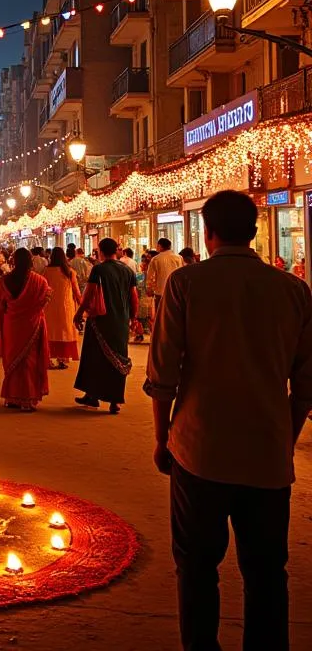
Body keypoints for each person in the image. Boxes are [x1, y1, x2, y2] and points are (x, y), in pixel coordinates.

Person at [145, 190, 312, 651]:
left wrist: (163, 440)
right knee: (266, 572)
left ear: (207, 232)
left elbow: (162, 374)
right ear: (256, 231)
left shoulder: (187, 285)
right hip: (267, 456)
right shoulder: (293, 290)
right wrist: (286, 437)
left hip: (199, 450)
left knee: (196, 567)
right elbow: (305, 386)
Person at [75, 237, 138, 414]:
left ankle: (92, 395)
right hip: (120, 321)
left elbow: (90, 294)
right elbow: (133, 297)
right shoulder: (127, 270)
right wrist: (133, 318)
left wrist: (79, 312)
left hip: (100, 321)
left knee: (94, 357)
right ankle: (115, 401)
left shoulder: (99, 269)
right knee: (118, 359)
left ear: (100, 251)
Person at [0, 247, 51, 411]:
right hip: (32, 325)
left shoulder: (4, 281)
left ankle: (12, 398)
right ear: (30, 262)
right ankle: (27, 399)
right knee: (29, 363)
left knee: (12, 361)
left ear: (14, 261)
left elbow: (0, 305)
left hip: (11, 326)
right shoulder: (40, 281)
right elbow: (43, 303)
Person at [44, 246, 81, 369]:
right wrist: (82, 305)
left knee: (50, 332)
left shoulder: (46, 271)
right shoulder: (69, 272)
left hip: (49, 307)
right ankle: (62, 359)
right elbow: (76, 291)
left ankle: (48, 359)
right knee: (64, 331)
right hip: (66, 306)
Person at [146, 237, 185, 319]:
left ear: (160, 246)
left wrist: (149, 289)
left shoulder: (156, 259)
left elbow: (150, 276)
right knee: (174, 316)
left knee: (160, 316)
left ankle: (161, 331)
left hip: (160, 292)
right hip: (176, 292)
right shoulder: (179, 258)